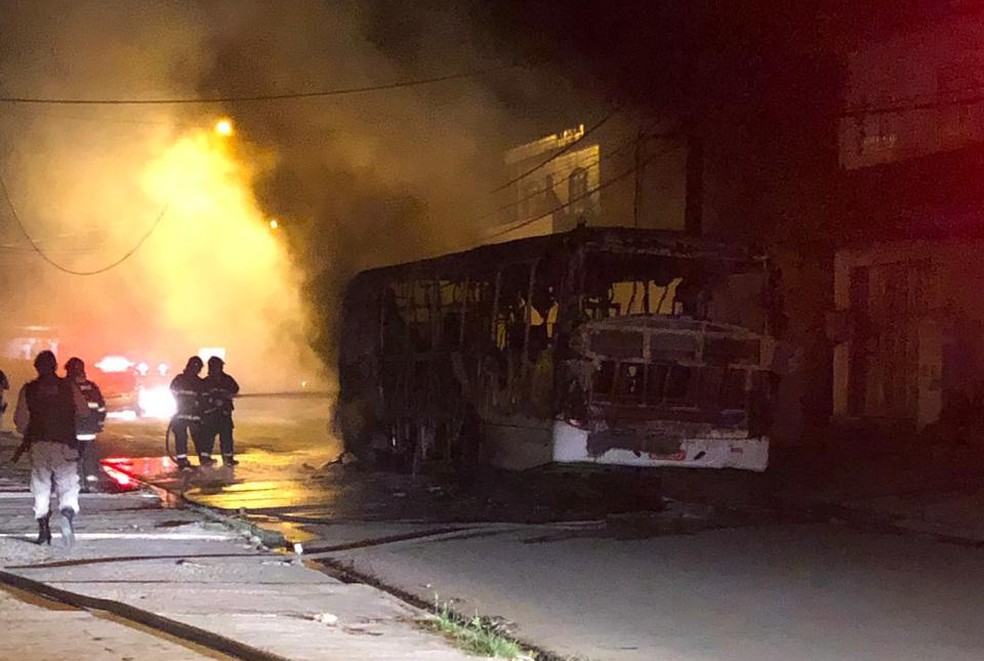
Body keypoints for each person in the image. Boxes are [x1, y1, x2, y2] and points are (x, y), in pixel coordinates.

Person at [13, 350, 87, 546]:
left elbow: (20, 421)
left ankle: (43, 526)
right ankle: (67, 516)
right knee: (68, 483)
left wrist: (30, 432)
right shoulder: (68, 387)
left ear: (37, 367)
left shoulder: (28, 389)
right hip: (65, 444)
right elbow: (84, 410)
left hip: (39, 444)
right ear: (55, 366)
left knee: (40, 485)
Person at [65, 357, 107, 491]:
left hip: (70, 430)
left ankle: (74, 484)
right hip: (89, 430)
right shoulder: (92, 387)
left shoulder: (64, 386)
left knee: (70, 458)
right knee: (89, 458)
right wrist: (98, 423)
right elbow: (101, 408)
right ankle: (91, 484)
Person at [200, 356, 240, 467]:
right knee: (208, 438)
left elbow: (235, 388)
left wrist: (227, 394)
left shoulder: (227, 379)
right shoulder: (205, 382)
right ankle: (205, 458)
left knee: (226, 437)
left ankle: (228, 459)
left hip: (224, 414)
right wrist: (212, 401)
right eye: (218, 366)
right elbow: (202, 398)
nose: (220, 368)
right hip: (211, 415)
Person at [169, 356, 205, 470]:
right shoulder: (197, 382)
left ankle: (185, 459)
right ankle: (187, 459)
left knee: (192, 437)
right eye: (198, 368)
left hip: (186, 414)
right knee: (189, 437)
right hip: (188, 415)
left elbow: (173, 391)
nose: (198, 370)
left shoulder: (180, 379)